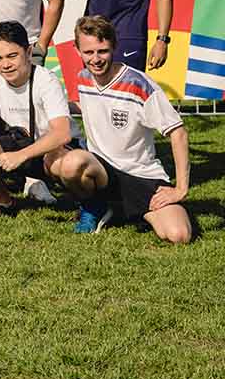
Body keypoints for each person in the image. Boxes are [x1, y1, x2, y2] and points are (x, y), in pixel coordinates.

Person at [62, 16, 192, 242]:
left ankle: (120, 210)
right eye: (89, 52)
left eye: (102, 51)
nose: (96, 59)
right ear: (78, 50)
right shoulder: (82, 78)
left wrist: (181, 188)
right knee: (67, 162)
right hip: (102, 171)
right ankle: (94, 206)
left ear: (114, 46)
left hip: (140, 174)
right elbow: (89, 106)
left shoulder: (139, 84)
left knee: (178, 235)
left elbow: (178, 133)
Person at [0, 20, 78, 214]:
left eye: (12, 56)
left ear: (29, 52)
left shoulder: (46, 80)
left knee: (66, 164)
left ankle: (85, 204)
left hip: (55, 149)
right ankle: (5, 202)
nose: (5, 65)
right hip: (21, 145)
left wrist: (19, 156)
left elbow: (62, 134)